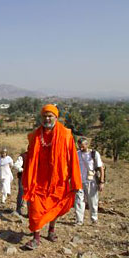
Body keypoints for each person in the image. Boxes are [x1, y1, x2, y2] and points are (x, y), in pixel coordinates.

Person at [21, 104, 82, 250]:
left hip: (58, 180)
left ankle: (51, 230)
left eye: (50, 116)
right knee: (35, 208)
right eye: (45, 116)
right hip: (38, 180)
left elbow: (73, 158)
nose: (47, 119)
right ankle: (36, 238)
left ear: (56, 117)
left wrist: (75, 181)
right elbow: (30, 155)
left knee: (54, 207)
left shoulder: (66, 135)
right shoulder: (35, 136)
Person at [75, 137, 104, 225]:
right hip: (79, 181)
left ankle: (94, 219)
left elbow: (100, 168)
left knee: (93, 201)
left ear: (87, 145)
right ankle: (79, 221)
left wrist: (101, 182)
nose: (81, 148)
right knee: (79, 201)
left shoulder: (94, 154)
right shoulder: (77, 154)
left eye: (83, 146)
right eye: (80, 146)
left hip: (91, 181)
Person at [13, 151, 27, 216]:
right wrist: (23, 170)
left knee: (31, 194)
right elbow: (16, 165)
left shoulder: (37, 155)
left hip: (33, 179)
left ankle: (30, 213)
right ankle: (18, 209)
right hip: (23, 177)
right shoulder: (23, 156)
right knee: (21, 192)